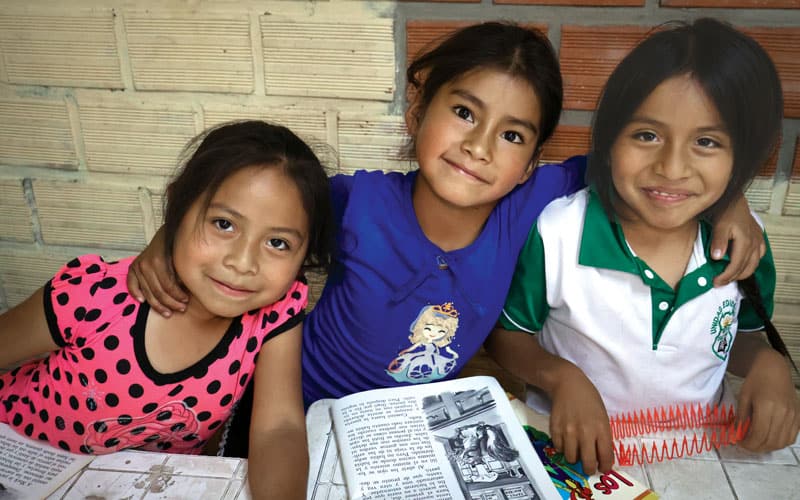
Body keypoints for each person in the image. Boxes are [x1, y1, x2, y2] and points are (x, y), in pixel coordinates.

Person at [126, 22, 763, 407]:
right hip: (294, 408)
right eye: (463, 113)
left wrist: (731, 198)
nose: (480, 147)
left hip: (412, 433)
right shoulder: (360, 202)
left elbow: (648, 165)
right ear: (417, 114)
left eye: (512, 136)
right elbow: (251, 197)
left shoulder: (529, 205)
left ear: (532, 160)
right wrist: (166, 236)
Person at [489, 18, 800, 476]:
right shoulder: (559, 232)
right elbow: (507, 336)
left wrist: (768, 364)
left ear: (743, 156)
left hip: (702, 457)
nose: (672, 167)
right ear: (610, 137)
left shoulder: (742, 240)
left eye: (707, 142)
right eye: (647, 135)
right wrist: (562, 378)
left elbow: (738, 335)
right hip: (570, 452)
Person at [0, 120, 334, 499]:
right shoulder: (93, 295)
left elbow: (279, 428)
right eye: (223, 224)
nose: (243, 262)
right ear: (177, 207)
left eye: (277, 243)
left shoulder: (276, 311)